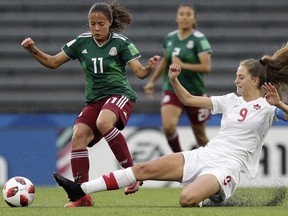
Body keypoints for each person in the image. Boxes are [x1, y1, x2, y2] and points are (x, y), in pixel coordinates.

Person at [52, 42, 288, 207]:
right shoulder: (229, 101)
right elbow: (187, 100)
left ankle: (213, 196)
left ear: (255, 80)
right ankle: (80, 190)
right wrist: (174, 80)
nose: (236, 80)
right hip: (206, 155)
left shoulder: (269, 106)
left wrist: (281, 104)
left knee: (186, 199)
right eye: (236, 75)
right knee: (144, 169)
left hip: (228, 167)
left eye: (241, 76)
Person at [21, 1, 160, 207]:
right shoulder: (81, 42)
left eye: (101, 24)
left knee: (104, 122)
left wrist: (148, 68)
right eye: (92, 23)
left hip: (119, 95)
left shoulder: (121, 42)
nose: (96, 28)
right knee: (77, 137)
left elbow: (139, 73)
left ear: (110, 23)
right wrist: (33, 49)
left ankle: (133, 174)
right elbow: (52, 62)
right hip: (95, 100)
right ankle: (82, 197)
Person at [144, 3, 212, 152]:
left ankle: (214, 164)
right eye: (182, 14)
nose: (185, 17)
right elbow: (165, 61)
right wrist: (152, 82)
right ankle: (181, 159)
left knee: (200, 137)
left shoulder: (199, 39)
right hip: (172, 87)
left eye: (188, 14)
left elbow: (206, 67)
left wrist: (183, 65)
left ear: (194, 19)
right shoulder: (170, 38)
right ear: (177, 17)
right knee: (168, 127)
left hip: (195, 91)